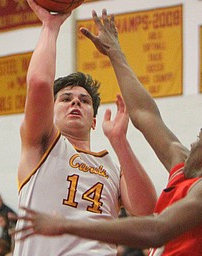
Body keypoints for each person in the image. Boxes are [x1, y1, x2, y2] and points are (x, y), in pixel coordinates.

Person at [15, 8, 202, 256]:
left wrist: (68, 225)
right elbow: (144, 114)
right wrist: (115, 53)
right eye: (66, 99)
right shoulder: (184, 166)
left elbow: (154, 228)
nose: (194, 138)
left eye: (201, 135)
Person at [13, 1, 156, 255]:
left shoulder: (112, 165)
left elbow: (147, 211)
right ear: (51, 112)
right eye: (66, 98)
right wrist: (50, 26)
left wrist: (120, 142)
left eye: (84, 100)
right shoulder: (43, 145)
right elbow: (38, 83)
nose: (76, 101)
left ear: (93, 120)